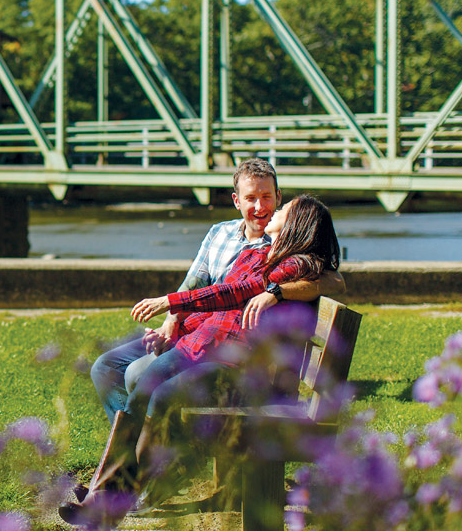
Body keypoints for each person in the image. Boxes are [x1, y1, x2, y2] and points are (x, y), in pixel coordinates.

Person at [61, 195, 342, 528]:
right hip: (205, 348)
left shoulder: (292, 267)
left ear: (297, 225)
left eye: (282, 208)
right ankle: (110, 492)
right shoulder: (259, 254)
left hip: (236, 366)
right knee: (141, 388)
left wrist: (171, 302)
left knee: (156, 393)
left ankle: (110, 495)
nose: (274, 210)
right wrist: (178, 324)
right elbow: (221, 306)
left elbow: (236, 294)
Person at [89, 158, 344, 422]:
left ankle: (137, 450)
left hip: (224, 352)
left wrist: (276, 292)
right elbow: (194, 283)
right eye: (251, 198)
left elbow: (334, 280)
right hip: (197, 333)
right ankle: (128, 447)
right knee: (104, 368)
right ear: (237, 201)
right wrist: (170, 323)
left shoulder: (284, 249)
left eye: (267, 197)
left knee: (139, 376)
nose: (260, 207)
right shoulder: (220, 233)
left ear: (279, 197)